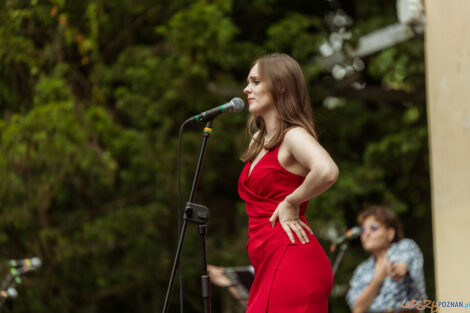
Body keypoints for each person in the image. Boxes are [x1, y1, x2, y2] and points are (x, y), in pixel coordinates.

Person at [237, 53, 339, 313]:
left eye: (256, 81)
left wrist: (292, 200)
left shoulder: (293, 135)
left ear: (280, 85)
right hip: (266, 262)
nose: (247, 88)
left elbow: (327, 171)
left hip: (292, 258)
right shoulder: (258, 139)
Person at [346, 205, 427, 313]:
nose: (367, 233)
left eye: (374, 228)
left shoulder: (405, 247)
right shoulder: (362, 270)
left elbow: (404, 264)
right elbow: (357, 309)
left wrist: (398, 270)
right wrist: (379, 278)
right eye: (363, 229)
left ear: (390, 233)